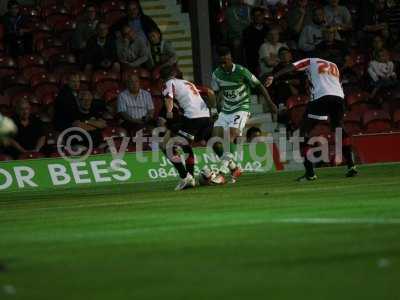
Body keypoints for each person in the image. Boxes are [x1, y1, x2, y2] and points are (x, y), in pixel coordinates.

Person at [265, 57, 358, 180]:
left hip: (321, 97)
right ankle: (352, 166)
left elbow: (293, 66)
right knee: (339, 128)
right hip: (339, 98)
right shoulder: (334, 65)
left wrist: (274, 76)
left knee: (302, 133)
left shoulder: (311, 61)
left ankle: (310, 173)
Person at [210, 46, 277, 183]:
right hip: (226, 110)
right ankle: (234, 168)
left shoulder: (241, 71)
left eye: (226, 61)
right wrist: (214, 111)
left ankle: (221, 173)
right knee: (215, 143)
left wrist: (270, 103)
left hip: (241, 108)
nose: (224, 65)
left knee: (230, 136)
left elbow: (258, 85)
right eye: (221, 62)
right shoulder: (216, 74)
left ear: (230, 58)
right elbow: (216, 93)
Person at [160, 65, 214, 191]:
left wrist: (169, 111)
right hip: (205, 117)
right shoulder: (187, 83)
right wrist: (214, 109)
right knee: (185, 145)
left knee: (165, 145)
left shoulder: (169, 83)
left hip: (192, 118)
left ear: (163, 78)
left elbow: (169, 97)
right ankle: (191, 178)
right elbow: (210, 92)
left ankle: (185, 177)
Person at [242, 6, 269, 74]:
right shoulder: (247, 31)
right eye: (255, 15)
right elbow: (247, 49)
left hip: (267, 57)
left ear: (263, 16)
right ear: (252, 17)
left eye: (259, 15)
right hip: (254, 60)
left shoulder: (268, 29)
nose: (257, 17)